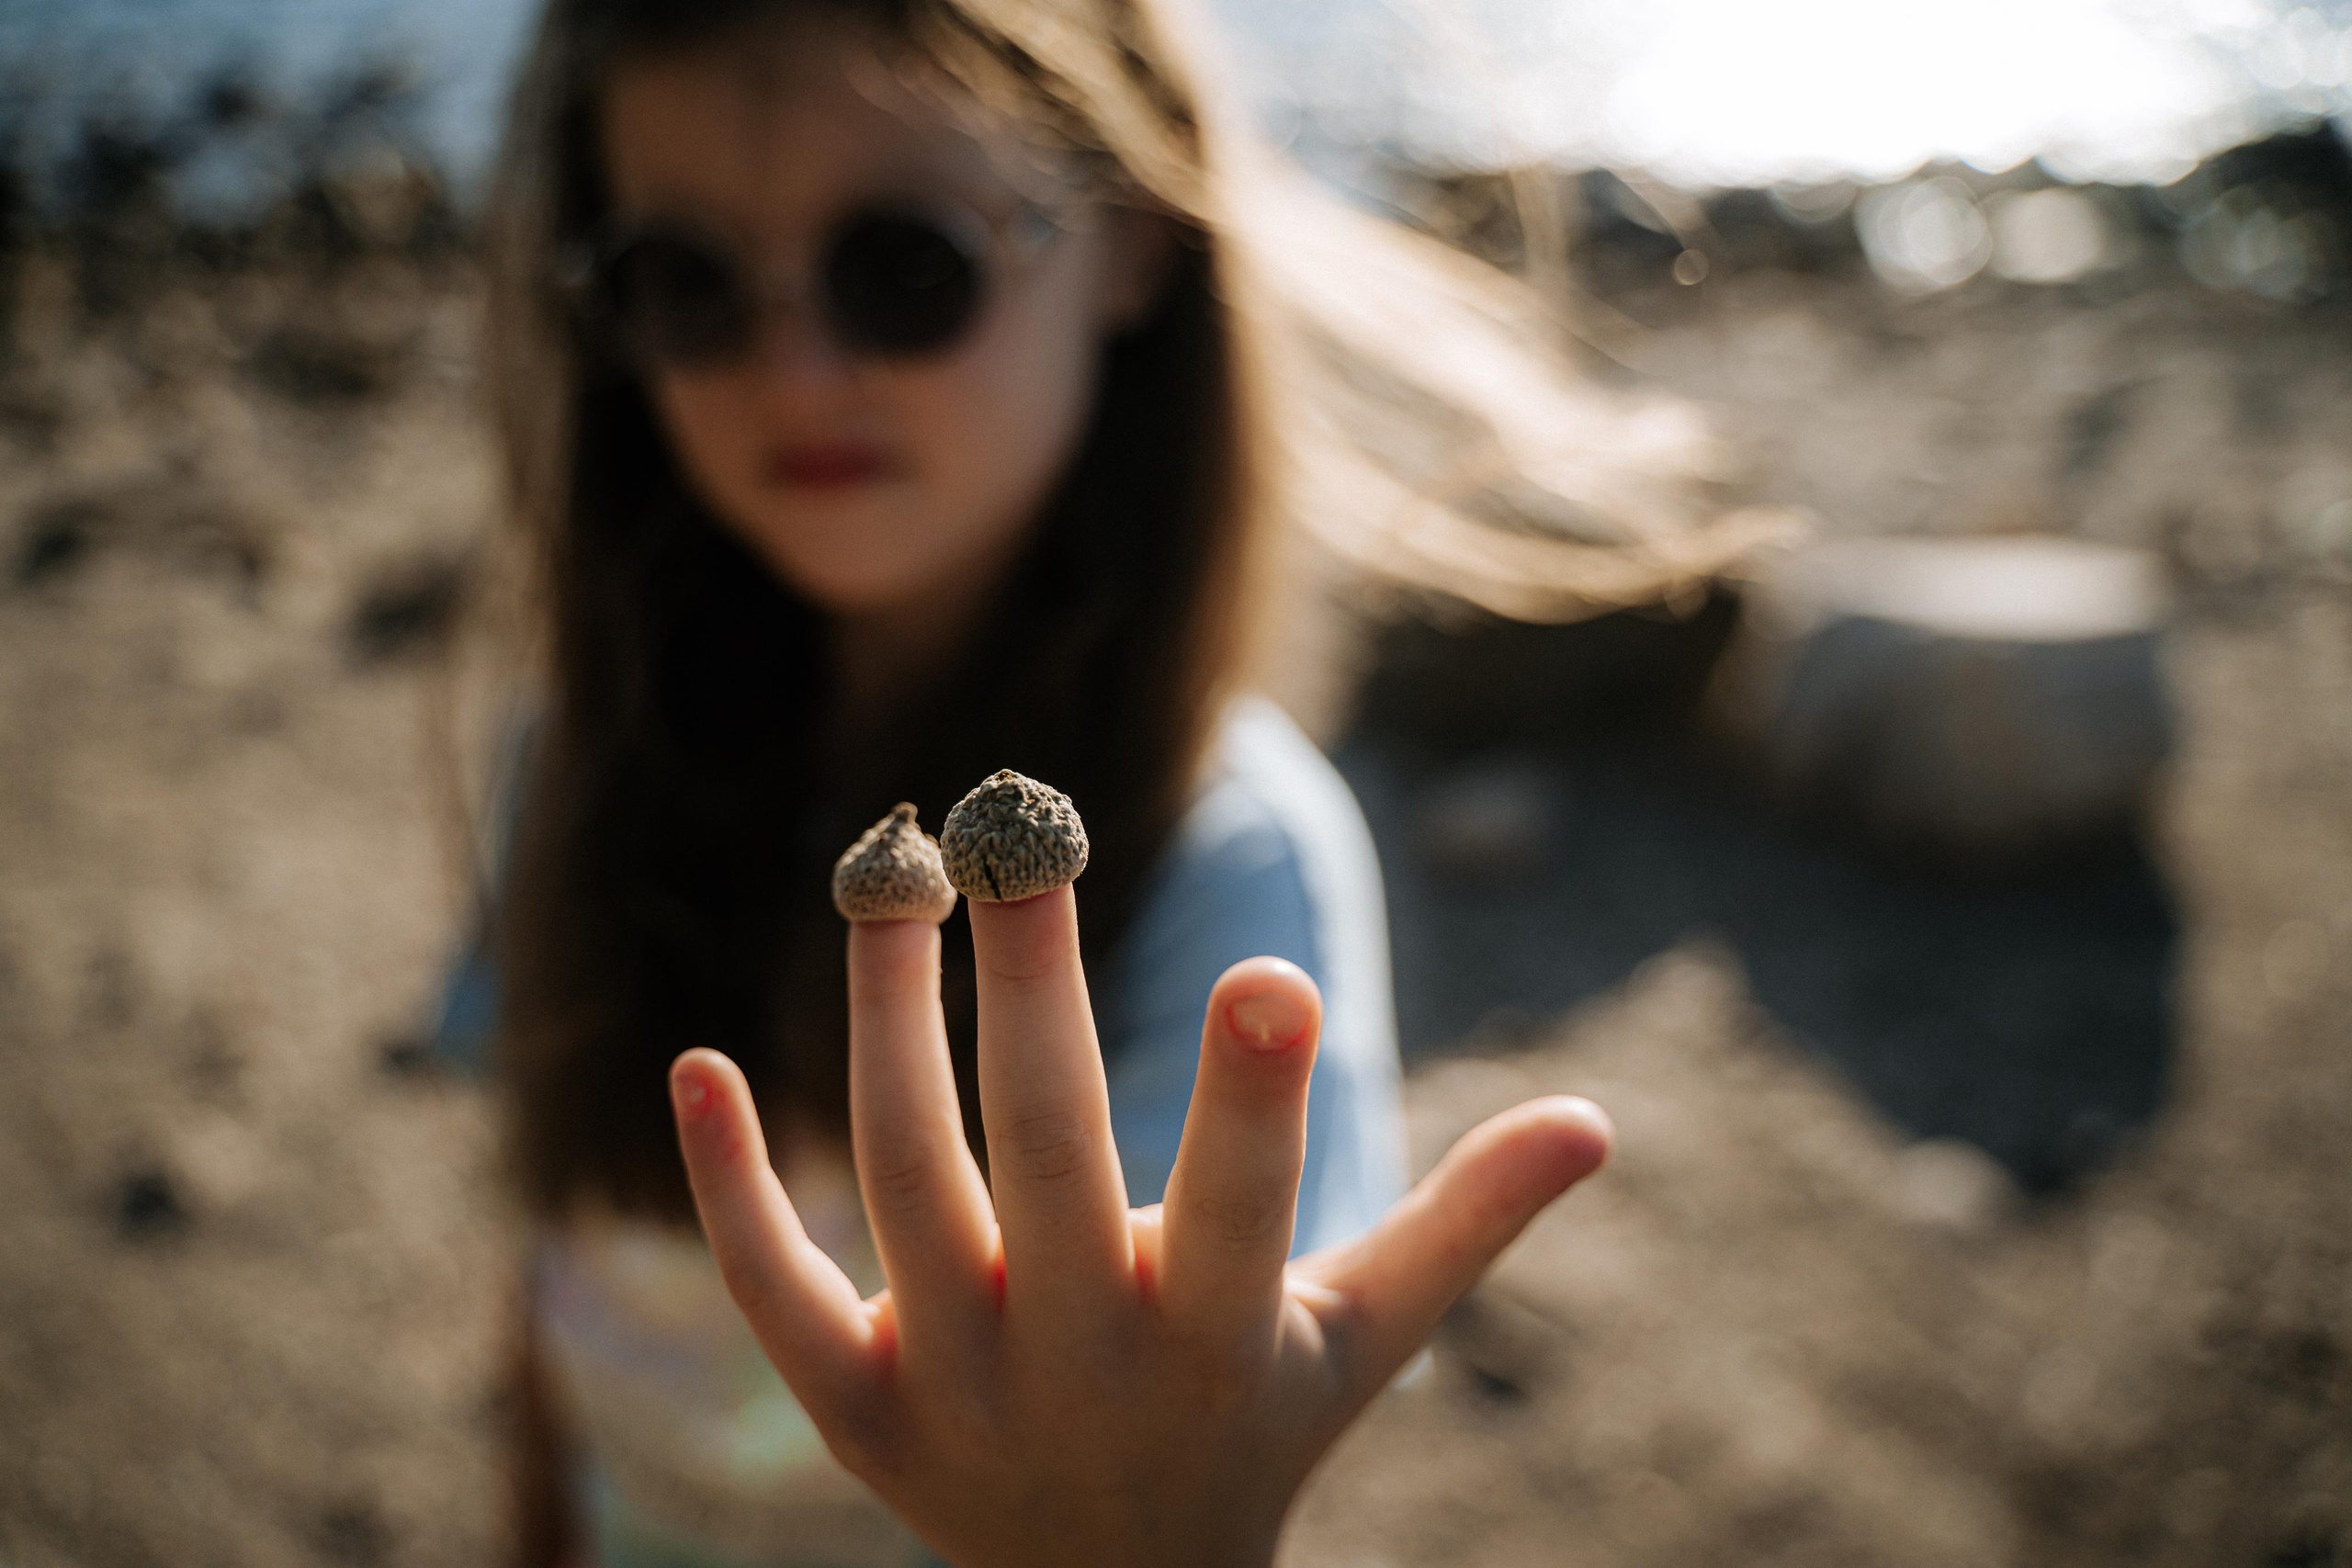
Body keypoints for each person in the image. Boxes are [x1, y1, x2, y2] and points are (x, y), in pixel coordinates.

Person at [432, 0, 1762, 1562]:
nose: (795, 366)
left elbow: (1171, 1417)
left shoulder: (1229, 862)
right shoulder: (581, 750)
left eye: (903, 267)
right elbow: (552, 1285)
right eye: (686, 283)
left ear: (1130, 241)